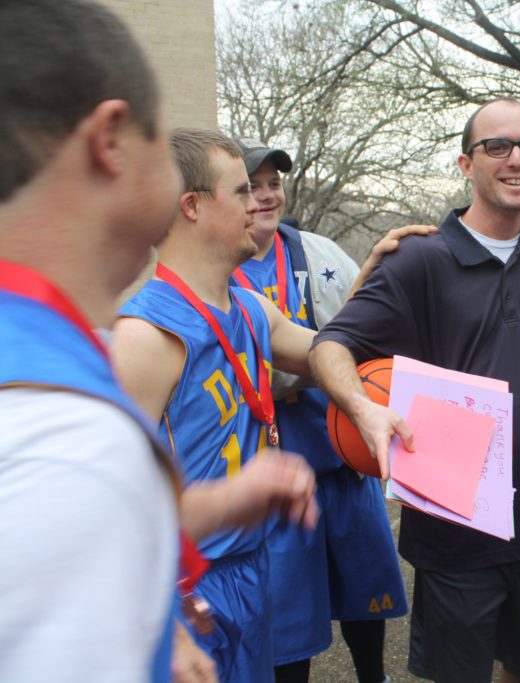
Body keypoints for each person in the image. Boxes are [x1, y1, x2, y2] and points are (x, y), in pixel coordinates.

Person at [0, 4, 318, 682]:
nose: (258, 202)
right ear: (111, 141)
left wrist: (222, 503)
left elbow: (104, 510)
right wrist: (161, 617)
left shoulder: (56, 354)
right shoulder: (59, 407)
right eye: (157, 136)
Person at [309, 97, 520, 683]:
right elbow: (327, 347)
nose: (517, 159)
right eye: (497, 147)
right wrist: (363, 409)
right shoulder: (420, 261)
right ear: (466, 164)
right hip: (455, 530)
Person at [111, 128, 322, 683]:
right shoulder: (146, 335)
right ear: (193, 206)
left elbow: (328, 351)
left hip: (252, 567)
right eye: (240, 192)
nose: (259, 204)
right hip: (190, 586)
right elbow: (105, 505)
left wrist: (391, 287)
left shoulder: (250, 308)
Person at [232, 136, 434, 683]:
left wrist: (372, 266)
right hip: (275, 474)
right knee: (290, 616)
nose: (267, 196)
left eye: (274, 184)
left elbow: (356, 331)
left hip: (344, 460)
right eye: (252, 187)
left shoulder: (314, 251)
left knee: (366, 591)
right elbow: (274, 370)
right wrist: (321, 364)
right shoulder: (221, 273)